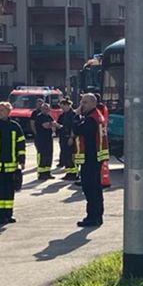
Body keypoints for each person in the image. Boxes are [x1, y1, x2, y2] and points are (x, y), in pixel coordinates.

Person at [75, 93, 107, 227]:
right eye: (82, 102)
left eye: (85, 102)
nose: (82, 105)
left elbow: (77, 129)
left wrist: (76, 116)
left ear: (93, 103)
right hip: (95, 157)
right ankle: (96, 216)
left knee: (90, 188)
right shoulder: (96, 116)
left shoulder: (91, 119)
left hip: (91, 158)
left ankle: (92, 217)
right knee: (95, 188)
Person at [30, 99, 57, 180]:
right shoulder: (40, 116)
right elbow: (46, 125)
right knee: (43, 156)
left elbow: (55, 124)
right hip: (41, 139)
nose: (46, 110)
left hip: (48, 138)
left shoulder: (48, 116)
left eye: (48, 108)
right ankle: (41, 173)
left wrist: (53, 124)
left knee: (49, 155)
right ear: (41, 109)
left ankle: (47, 172)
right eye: (44, 108)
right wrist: (52, 124)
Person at [56, 100, 80, 179]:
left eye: (62, 106)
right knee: (66, 156)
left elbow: (74, 127)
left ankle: (73, 174)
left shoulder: (73, 115)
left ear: (67, 105)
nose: (61, 108)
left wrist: (71, 138)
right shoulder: (64, 115)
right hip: (63, 138)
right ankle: (69, 173)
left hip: (69, 138)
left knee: (71, 156)